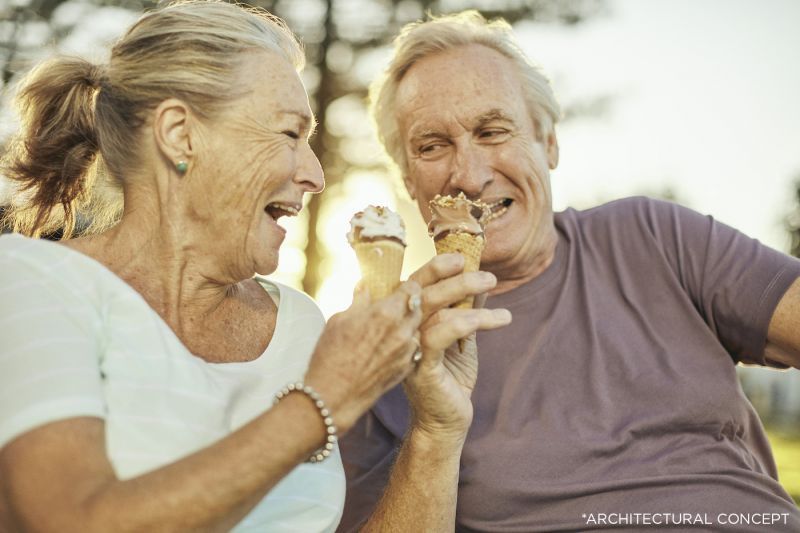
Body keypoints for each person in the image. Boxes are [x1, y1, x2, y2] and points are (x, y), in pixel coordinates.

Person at [0, 2, 512, 531]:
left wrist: (435, 430)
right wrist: (325, 399)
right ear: (180, 134)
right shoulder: (32, 282)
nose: (315, 175)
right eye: (289, 134)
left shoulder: (297, 323)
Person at [338, 10, 800, 532]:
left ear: (549, 142)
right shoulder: (380, 344)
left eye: (492, 131)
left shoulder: (655, 237)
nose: (467, 174)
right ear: (408, 179)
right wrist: (433, 433)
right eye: (432, 146)